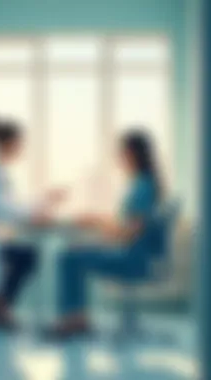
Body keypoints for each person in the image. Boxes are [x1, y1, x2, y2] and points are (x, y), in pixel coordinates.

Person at [47, 129, 162, 338]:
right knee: (73, 253)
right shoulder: (144, 183)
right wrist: (99, 220)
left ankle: (74, 320)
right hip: (134, 254)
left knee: (68, 257)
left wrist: (98, 222)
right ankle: (76, 318)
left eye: (121, 152)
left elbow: (128, 232)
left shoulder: (143, 186)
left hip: (132, 259)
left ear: (131, 153)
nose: (118, 158)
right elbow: (130, 226)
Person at [0, 118, 64, 328]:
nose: (20, 149)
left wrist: (43, 202)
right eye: (18, 144)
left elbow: (11, 205)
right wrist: (35, 212)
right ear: (7, 144)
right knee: (26, 256)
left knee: (27, 256)